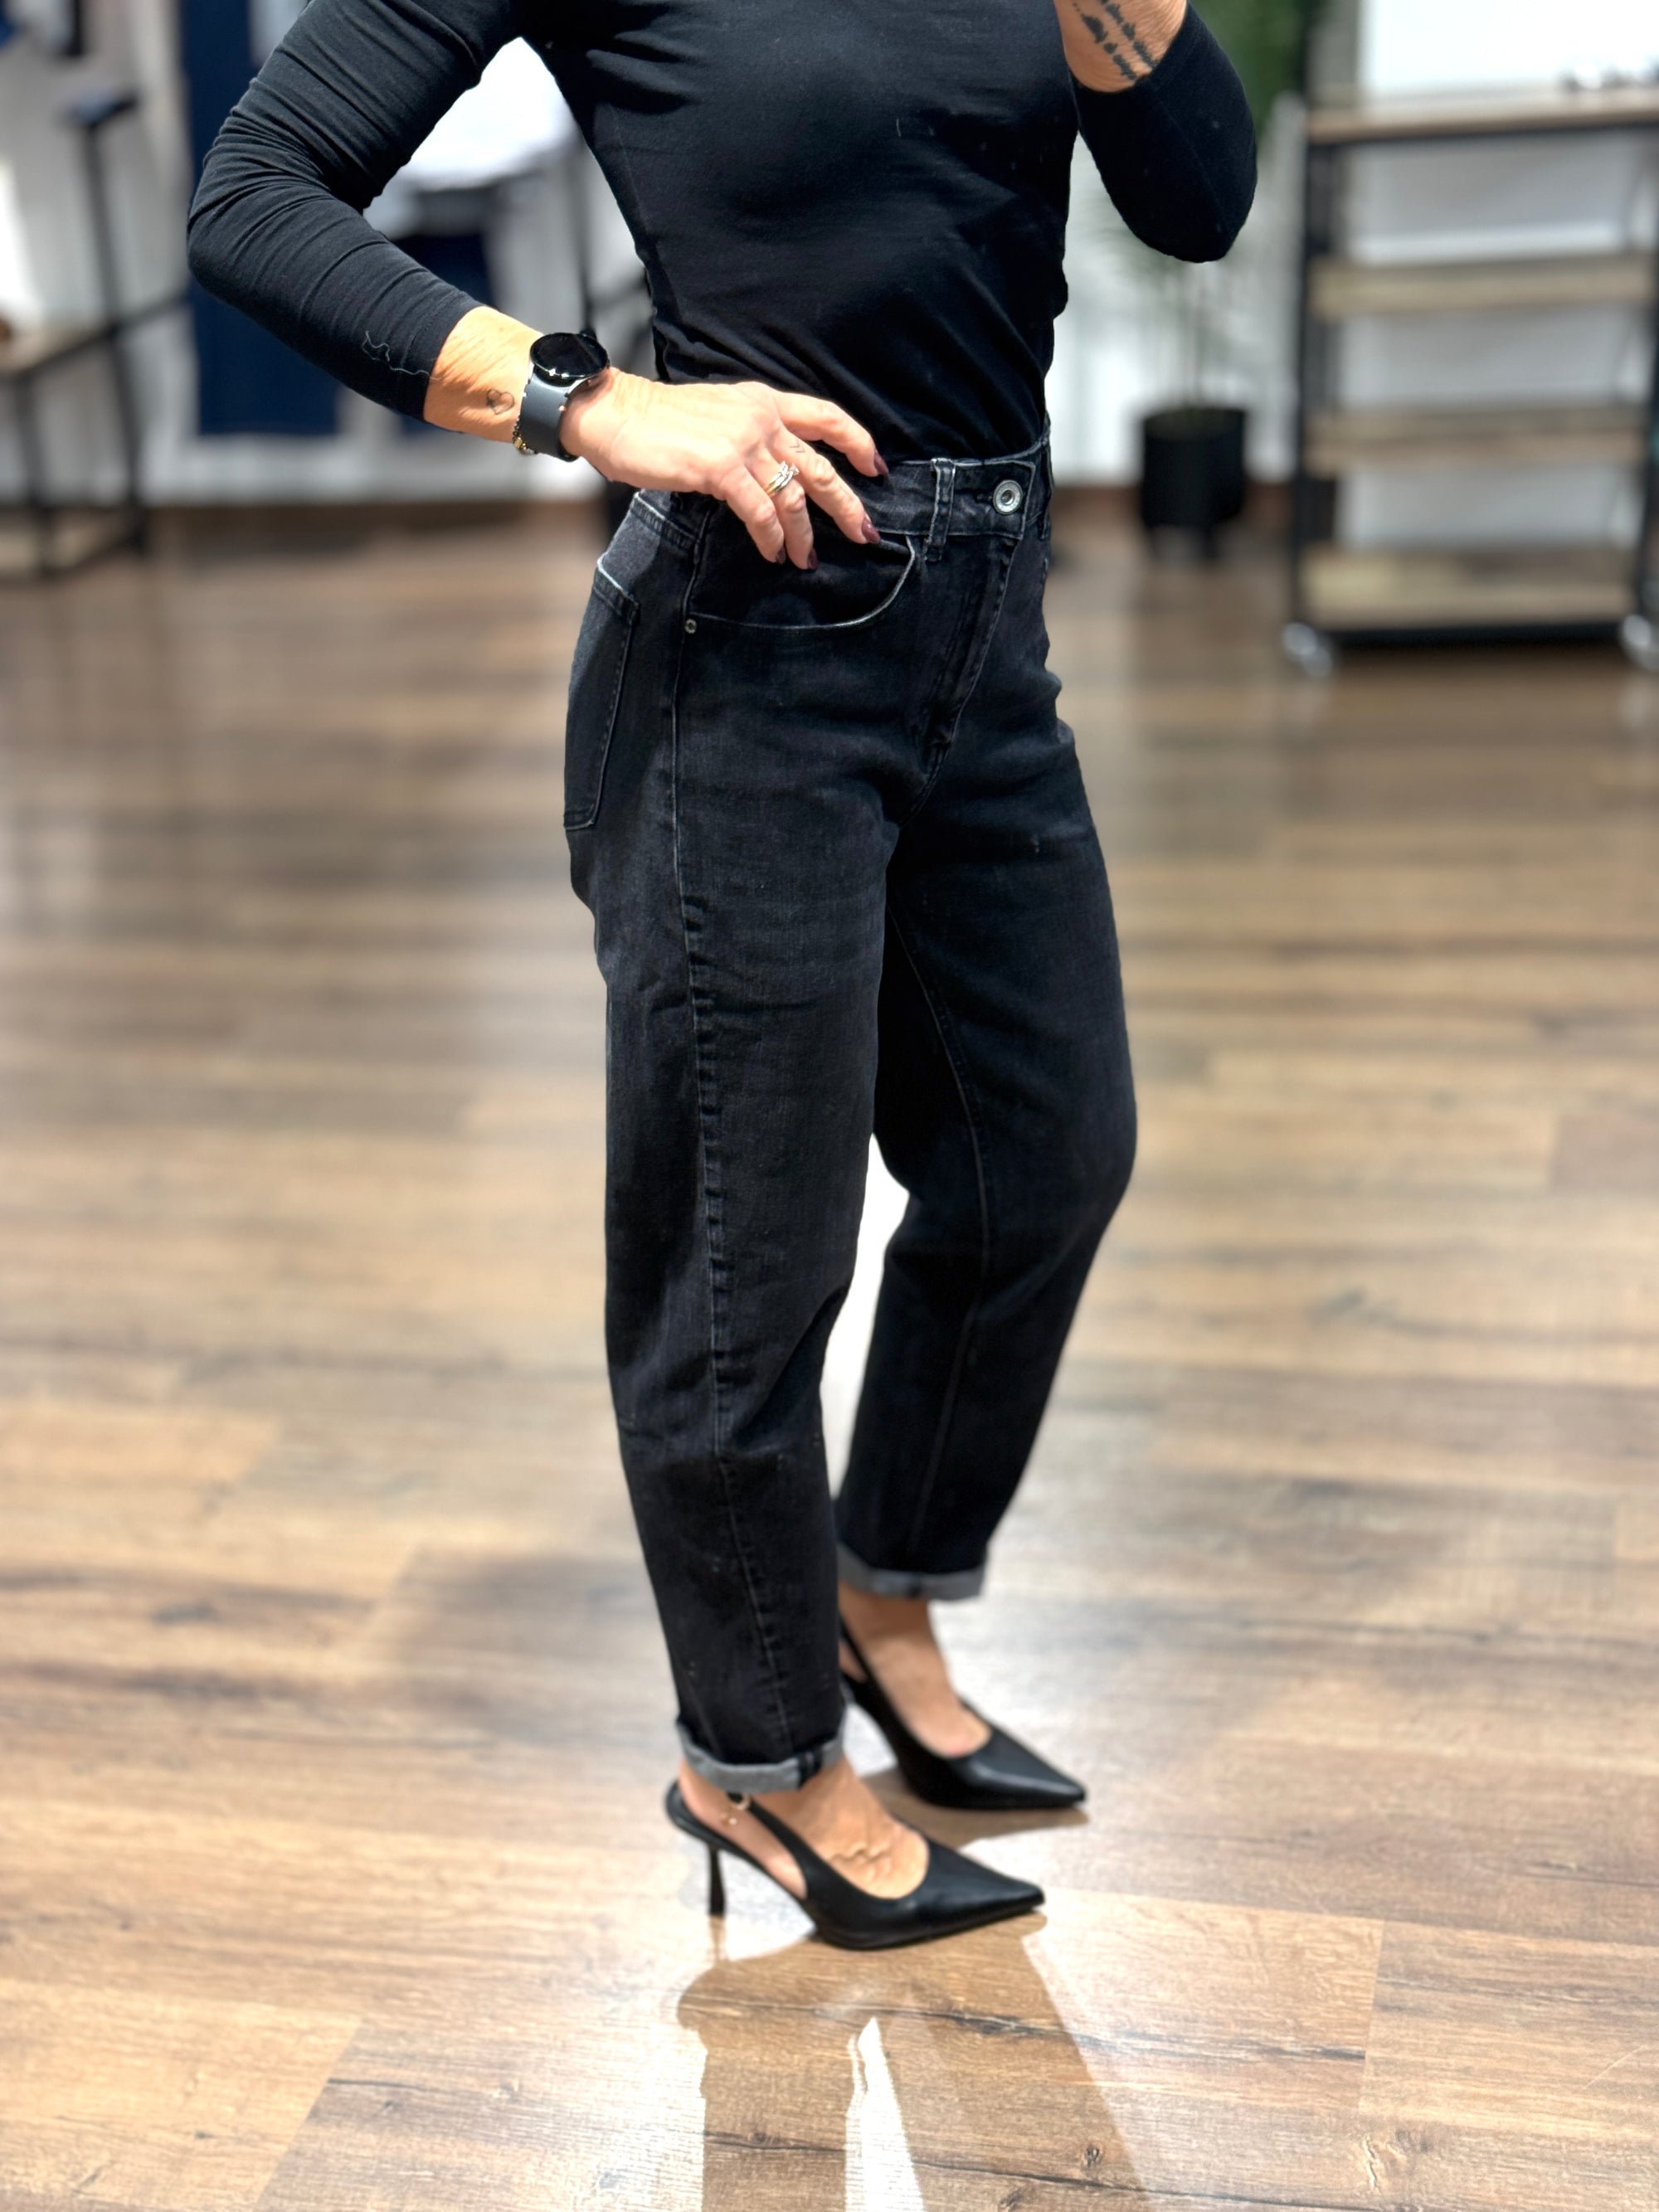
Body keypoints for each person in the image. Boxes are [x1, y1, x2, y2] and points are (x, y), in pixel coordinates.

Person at [190, 0, 1253, 1949]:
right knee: (742, 1257)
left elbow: (1197, 204)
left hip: (983, 631)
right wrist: (588, 399)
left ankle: (877, 1583)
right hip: (744, 653)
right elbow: (253, 197)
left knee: (1041, 1157)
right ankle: (753, 1753)